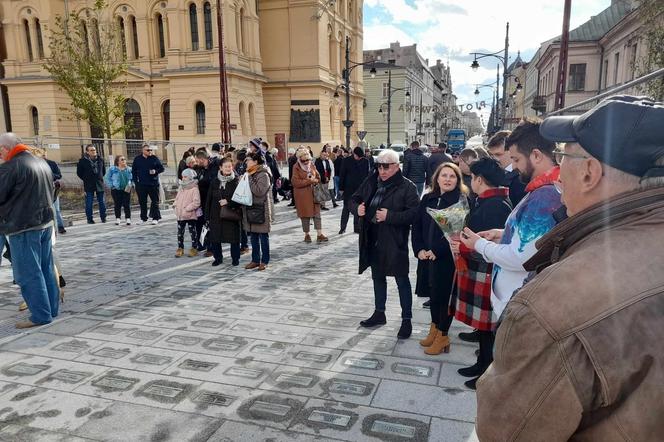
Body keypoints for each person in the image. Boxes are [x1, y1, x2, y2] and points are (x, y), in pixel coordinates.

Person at [476, 95, 664, 440]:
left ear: (590, 172)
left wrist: (481, 245)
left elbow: (506, 431)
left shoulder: (552, 304)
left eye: (564, 158)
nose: (558, 173)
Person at [459, 117, 562, 320]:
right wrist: (504, 234)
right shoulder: (543, 190)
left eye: (516, 159)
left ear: (536, 155)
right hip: (517, 302)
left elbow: (520, 258)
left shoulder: (545, 196)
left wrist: (479, 244)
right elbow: (534, 243)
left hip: (518, 307)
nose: (513, 167)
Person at [451, 158, 512, 390]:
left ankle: (487, 369)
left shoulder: (495, 204)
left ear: (478, 180)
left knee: (488, 324)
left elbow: (493, 245)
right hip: (481, 268)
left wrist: (465, 247)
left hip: (487, 270)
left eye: (472, 179)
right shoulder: (489, 200)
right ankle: (481, 363)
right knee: (484, 326)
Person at [350, 149, 419, 339]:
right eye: (379, 166)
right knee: (377, 278)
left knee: (402, 281)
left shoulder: (407, 187)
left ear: (397, 166)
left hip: (394, 242)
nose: (382, 170)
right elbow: (353, 199)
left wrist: (391, 216)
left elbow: (415, 214)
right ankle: (379, 313)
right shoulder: (372, 181)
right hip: (372, 240)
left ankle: (406, 320)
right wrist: (358, 208)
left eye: (386, 166)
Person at [0, 133, 59, 328]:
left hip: (22, 226)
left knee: (28, 273)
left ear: (6, 148)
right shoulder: (40, 162)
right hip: (43, 223)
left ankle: (41, 316)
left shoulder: (11, 167)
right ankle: (51, 309)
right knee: (46, 268)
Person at [413, 162, 468, 354]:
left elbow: (456, 232)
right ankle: (434, 329)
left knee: (443, 298)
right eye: (444, 175)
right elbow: (417, 225)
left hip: (446, 259)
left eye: (452, 176)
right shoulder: (428, 198)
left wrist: (438, 250)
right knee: (432, 296)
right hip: (427, 257)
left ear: (457, 180)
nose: (447, 179)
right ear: (437, 178)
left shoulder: (459, 201)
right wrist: (419, 249)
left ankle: (443, 335)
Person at [206, 157, 242, 266]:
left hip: (231, 214)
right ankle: (218, 258)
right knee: (215, 238)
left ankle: (235, 258)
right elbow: (209, 199)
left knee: (234, 238)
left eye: (230, 166)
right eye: (225, 166)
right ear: (220, 168)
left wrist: (228, 202)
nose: (228, 168)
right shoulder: (215, 181)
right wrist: (207, 215)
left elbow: (240, 199)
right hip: (215, 214)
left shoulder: (236, 181)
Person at [242, 152, 273, 271]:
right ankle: (255, 260)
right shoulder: (249, 173)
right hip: (250, 207)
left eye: (248, 160)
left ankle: (264, 260)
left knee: (263, 236)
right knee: (253, 235)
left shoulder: (263, 174)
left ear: (255, 162)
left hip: (261, 209)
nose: (246, 162)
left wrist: (248, 179)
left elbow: (260, 191)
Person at [292, 149, 329, 243]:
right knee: (305, 215)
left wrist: (315, 180)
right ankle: (306, 234)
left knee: (317, 214)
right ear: (299, 159)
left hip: (314, 194)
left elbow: (318, 177)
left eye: (307, 159)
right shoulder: (296, 167)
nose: (306, 162)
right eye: (303, 160)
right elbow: (295, 182)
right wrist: (309, 181)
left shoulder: (312, 164)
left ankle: (319, 234)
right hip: (302, 195)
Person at [487, 130, 527, 207]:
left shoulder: (521, 178)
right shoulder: (495, 174)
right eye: (491, 155)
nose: (494, 159)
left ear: (511, 151)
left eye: (498, 154)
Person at [339, 146, 370, 234]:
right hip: (348, 189)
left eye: (361, 157)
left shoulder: (365, 161)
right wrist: (341, 188)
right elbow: (342, 175)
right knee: (346, 208)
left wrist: (367, 188)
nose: (359, 158)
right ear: (354, 154)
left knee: (358, 209)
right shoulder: (346, 160)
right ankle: (342, 228)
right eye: (358, 156)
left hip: (360, 190)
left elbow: (367, 176)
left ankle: (356, 228)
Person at [195, 149, 220, 254]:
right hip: (202, 200)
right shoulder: (201, 169)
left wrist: (200, 183)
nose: (198, 163)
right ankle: (202, 243)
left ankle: (211, 248)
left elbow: (212, 181)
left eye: (199, 160)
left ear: (203, 159)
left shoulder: (215, 166)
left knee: (210, 224)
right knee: (201, 223)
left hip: (212, 200)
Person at [132, 144, 165, 225]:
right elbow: (134, 171)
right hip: (141, 184)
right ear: (143, 151)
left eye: (151, 150)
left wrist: (155, 171)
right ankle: (143, 218)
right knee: (142, 202)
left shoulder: (154, 158)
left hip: (153, 183)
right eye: (148, 150)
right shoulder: (137, 159)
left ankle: (155, 217)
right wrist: (136, 182)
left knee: (155, 201)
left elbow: (162, 168)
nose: (150, 151)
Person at [173, 168, 201, 258]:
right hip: (181, 215)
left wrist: (187, 208)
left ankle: (194, 248)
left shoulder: (194, 188)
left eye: (185, 177)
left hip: (190, 215)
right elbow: (177, 198)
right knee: (180, 233)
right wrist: (175, 205)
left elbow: (196, 202)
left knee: (193, 232)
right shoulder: (182, 187)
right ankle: (180, 248)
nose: (183, 178)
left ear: (190, 177)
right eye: (182, 176)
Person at [76, 144, 107, 224]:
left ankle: (103, 217)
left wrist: (99, 177)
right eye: (91, 150)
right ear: (87, 152)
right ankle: (90, 219)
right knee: (89, 202)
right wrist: (86, 179)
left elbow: (103, 171)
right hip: (88, 184)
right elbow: (79, 173)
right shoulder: (82, 161)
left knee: (102, 201)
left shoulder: (100, 160)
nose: (94, 152)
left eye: (94, 150)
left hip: (99, 183)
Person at [42, 150, 66, 234]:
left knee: (56, 209)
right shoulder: (34, 165)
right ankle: (50, 229)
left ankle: (60, 226)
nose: (43, 156)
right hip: (40, 191)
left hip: (53, 190)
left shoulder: (52, 163)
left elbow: (59, 175)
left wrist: (49, 175)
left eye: (44, 154)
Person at [104, 155, 133, 225]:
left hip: (126, 189)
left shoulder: (129, 169)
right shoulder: (113, 169)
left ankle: (128, 218)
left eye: (124, 159)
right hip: (116, 189)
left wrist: (131, 184)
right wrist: (112, 186)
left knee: (126, 204)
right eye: (122, 159)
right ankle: (118, 218)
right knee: (117, 204)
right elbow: (107, 178)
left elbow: (133, 178)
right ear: (118, 161)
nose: (124, 161)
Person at [234, 149, 250, 254]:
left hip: (243, 195)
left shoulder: (242, 167)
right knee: (242, 222)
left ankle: (244, 245)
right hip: (240, 195)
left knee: (242, 222)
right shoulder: (238, 166)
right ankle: (243, 244)